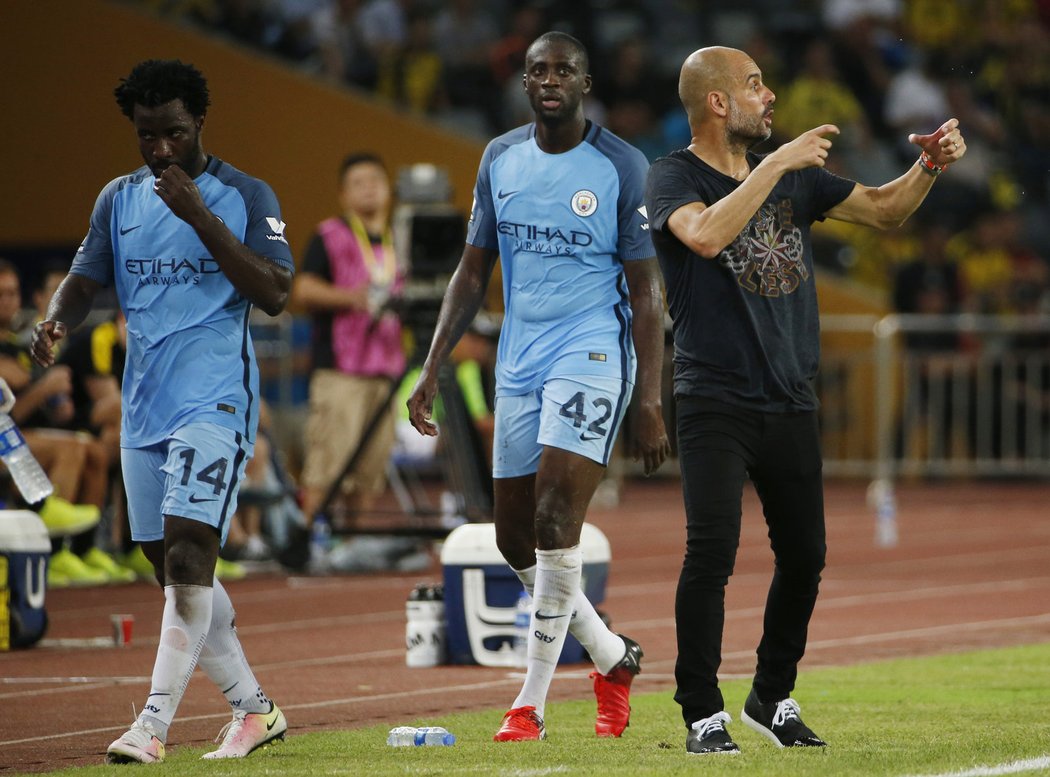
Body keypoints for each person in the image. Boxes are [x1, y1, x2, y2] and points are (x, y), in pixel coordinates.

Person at [643, 45, 967, 755]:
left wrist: (931, 165)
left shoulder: (795, 179)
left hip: (789, 395)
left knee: (806, 555)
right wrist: (777, 165)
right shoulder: (672, 175)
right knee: (711, 554)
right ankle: (702, 711)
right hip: (714, 396)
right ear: (718, 102)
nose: (771, 97)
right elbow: (701, 235)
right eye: (756, 85)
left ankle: (771, 695)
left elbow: (884, 210)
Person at [407, 31, 671, 742]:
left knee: (558, 521)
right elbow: (470, 271)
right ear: (523, 83)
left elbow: (647, 291)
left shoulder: (620, 164)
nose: (550, 80)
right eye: (538, 71)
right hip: (518, 361)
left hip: (588, 354)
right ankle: (612, 656)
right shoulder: (500, 158)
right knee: (512, 537)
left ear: (586, 83)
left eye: (564, 70)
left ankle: (530, 702)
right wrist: (432, 364)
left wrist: (649, 397)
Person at [31, 59, 293, 763]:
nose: (161, 151)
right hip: (144, 411)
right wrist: (58, 321)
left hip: (215, 402)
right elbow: (85, 283)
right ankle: (254, 709)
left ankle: (149, 726)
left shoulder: (243, 193)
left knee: (187, 557)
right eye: (148, 136)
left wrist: (199, 215)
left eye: (174, 133)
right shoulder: (118, 200)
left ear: (200, 121)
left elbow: (273, 292)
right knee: (172, 571)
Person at [292, 151, 405, 531]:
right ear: (343, 195)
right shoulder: (330, 235)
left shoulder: (400, 239)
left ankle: (355, 543)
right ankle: (310, 539)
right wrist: (351, 297)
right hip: (341, 370)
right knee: (329, 463)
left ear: (389, 190)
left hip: (387, 370)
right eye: (358, 182)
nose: (369, 188)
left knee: (371, 467)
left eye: (376, 180)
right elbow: (303, 289)